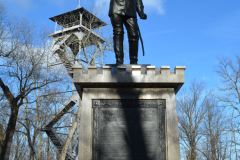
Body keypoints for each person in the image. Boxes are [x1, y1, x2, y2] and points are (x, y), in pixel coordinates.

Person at [109, 0, 147, 64]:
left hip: (131, 9)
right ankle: (119, 60)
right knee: (118, 32)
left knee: (134, 35)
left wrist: (141, 12)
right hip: (116, 7)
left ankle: (134, 61)